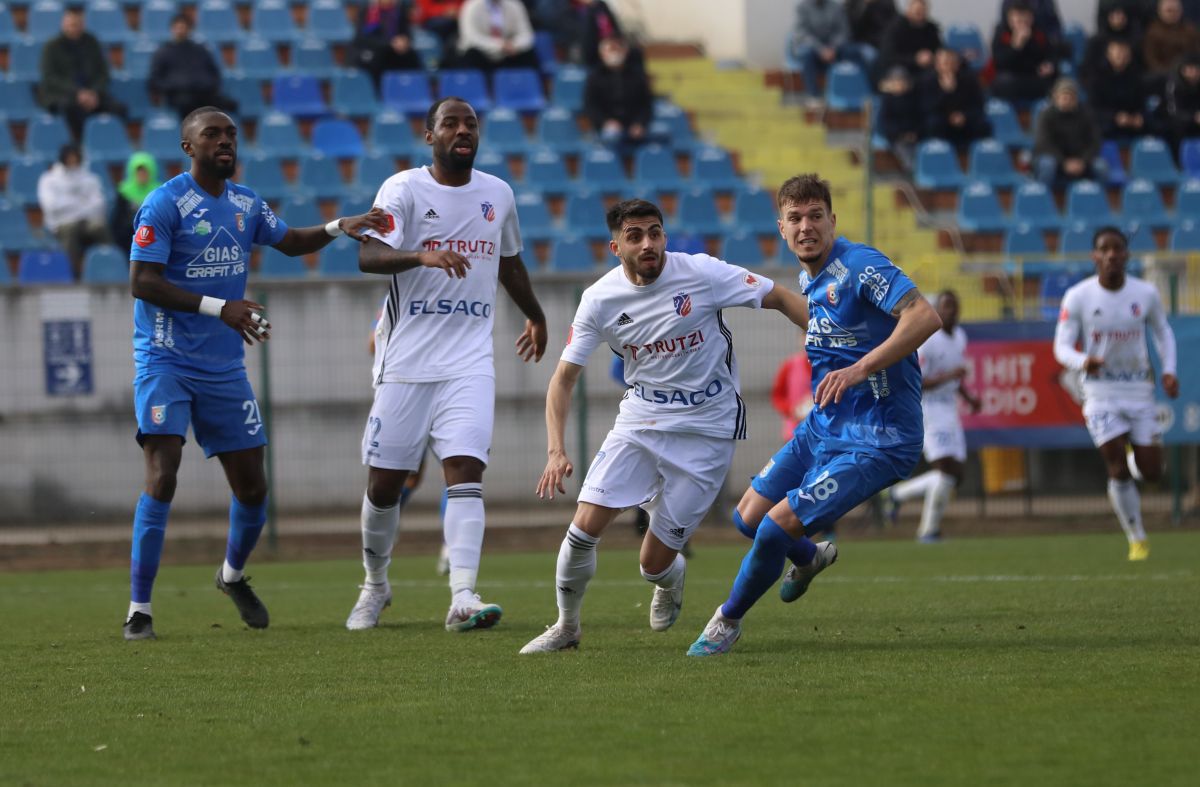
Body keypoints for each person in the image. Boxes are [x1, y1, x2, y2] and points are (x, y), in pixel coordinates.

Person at [122, 107, 389, 641]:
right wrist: (220, 307)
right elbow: (142, 281)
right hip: (166, 360)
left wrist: (339, 226)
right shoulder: (164, 203)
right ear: (187, 146)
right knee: (163, 473)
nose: (224, 142)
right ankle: (140, 610)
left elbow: (289, 240)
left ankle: (232, 574)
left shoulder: (245, 203)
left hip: (223, 367)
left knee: (252, 490)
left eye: (230, 136)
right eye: (211, 135)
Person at [518, 198, 809, 654]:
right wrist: (556, 450)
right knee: (583, 527)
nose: (648, 243)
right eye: (635, 236)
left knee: (652, 564)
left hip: (707, 427)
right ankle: (566, 627)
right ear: (616, 246)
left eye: (655, 232)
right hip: (641, 420)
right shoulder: (598, 300)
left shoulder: (701, 273)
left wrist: (834, 341)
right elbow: (562, 381)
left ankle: (668, 581)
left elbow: (779, 297)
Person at [686, 173, 942, 657]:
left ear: (832, 221)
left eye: (815, 216)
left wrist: (859, 368)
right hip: (825, 426)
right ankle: (807, 560)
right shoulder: (811, 279)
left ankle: (727, 620)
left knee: (773, 529)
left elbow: (924, 316)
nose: (807, 226)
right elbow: (826, 320)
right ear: (781, 228)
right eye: (795, 218)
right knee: (748, 517)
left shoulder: (861, 264)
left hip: (879, 438)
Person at [345, 96, 548, 633]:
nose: (463, 131)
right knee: (384, 487)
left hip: (469, 361)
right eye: (451, 123)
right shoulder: (403, 189)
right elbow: (367, 255)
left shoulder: (498, 193)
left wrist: (535, 314)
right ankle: (375, 583)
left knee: (465, 469)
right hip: (406, 363)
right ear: (428, 134)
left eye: (471, 124)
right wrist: (422, 254)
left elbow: (508, 261)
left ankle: (462, 595)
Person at [1053, 226, 1179, 561]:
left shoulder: (1146, 293)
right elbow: (1061, 347)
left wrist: (1169, 370)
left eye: (1117, 248)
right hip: (1100, 390)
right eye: (1104, 249)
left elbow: (1163, 333)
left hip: (1139, 388)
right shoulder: (1078, 297)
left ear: (1126, 255)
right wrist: (1083, 361)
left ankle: (1135, 456)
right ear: (1095, 256)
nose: (1111, 254)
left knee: (1152, 473)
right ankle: (1137, 538)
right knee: (1115, 464)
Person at [882, 290, 981, 542]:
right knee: (946, 470)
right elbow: (918, 382)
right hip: (929, 409)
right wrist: (950, 376)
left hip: (949, 409)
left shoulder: (960, 336)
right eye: (945, 307)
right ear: (937, 309)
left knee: (955, 476)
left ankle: (898, 494)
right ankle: (929, 530)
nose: (950, 311)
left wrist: (969, 398)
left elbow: (955, 376)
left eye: (954, 306)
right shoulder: (929, 340)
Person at [37, 7, 126, 141]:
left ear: (83, 24)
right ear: (63, 24)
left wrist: (94, 92)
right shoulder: (52, 47)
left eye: (77, 24)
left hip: (93, 94)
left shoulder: (92, 42)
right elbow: (50, 78)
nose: (74, 28)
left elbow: (103, 73)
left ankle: (111, 142)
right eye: (71, 25)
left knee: (119, 109)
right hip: (63, 95)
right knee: (72, 110)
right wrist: (78, 93)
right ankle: (80, 146)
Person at [37, 143, 112, 278]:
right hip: (61, 223)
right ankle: (72, 273)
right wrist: (81, 205)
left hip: (86, 221)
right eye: (69, 157)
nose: (72, 161)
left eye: (75, 157)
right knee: (69, 230)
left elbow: (99, 204)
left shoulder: (90, 179)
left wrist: (72, 207)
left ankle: (108, 267)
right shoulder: (49, 180)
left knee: (99, 227)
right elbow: (51, 206)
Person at [148, 14, 237, 119]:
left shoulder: (200, 50)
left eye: (183, 27)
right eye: (177, 27)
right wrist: (173, 86)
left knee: (228, 105)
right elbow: (155, 79)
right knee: (189, 105)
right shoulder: (163, 52)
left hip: (204, 93)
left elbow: (213, 72)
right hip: (179, 96)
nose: (180, 30)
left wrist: (209, 84)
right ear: (172, 29)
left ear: (189, 29)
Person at [583, 35, 653, 150]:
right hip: (607, 127)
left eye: (618, 49)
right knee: (610, 138)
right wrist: (605, 122)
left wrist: (639, 123)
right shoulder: (594, 78)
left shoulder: (637, 77)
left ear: (625, 52)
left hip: (632, 125)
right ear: (602, 54)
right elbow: (590, 106)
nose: (614, 53)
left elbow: (646, 105)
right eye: (611, 50)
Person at [1033, 78, 1104, 187]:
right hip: (1054, 158)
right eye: (1063, 96)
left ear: (1075, 99)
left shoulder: (1087, 114)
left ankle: (1098, 200)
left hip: (1081, 159)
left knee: (1101, 167)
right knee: (1047, 165)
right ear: (1055, 97)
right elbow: (1044, 144)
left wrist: (1083, 161)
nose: (1066, 100)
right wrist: (1064, 162)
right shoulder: (1045, 115)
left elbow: (1095, 141)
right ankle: (1042, 198)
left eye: (1070, 97)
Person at [989, 0, 1057, 105]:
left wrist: (1049, 64)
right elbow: (999, 63)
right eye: (1018, 20)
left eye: (1026, 20)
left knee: (1055, 82)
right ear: (1010, 19)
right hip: (1012, 76)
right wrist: (1016, 47)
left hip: (1034, 76)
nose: (1022, 24)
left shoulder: (1038, 32)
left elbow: (1050, 53)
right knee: (1003, 82)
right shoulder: (1002, 33)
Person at [920, 47, 991, 149]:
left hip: (964, 117)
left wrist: (964, 116)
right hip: (942, 119)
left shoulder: (969, 79)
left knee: (983, 125)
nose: (948, 66)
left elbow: (978, 105)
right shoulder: (927, 81)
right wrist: (945, 92)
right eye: (944, 63)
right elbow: (927, 108)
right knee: (933, 124)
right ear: (937, 65)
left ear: (957, 64)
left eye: (952, 62)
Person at [788, 0, 858, 101]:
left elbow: (843, 31)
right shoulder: (802, 7)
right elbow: (802, 33)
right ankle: (813, 96)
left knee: (852, 52)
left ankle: (845, 94)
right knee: (806, 54)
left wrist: (833, 48)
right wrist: (820, 49)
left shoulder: (836, 7)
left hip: (832, 48)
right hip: (812, 47)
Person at [350, 0, 425, 93]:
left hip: (394, 50)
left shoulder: (399, 11)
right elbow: (361, 38)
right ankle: (378, 93)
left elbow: (406, 33)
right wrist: (389, 43)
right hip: (373, 50)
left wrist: (404, 41)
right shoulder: (368, 11)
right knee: (377, 57)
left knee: (412, 56)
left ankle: (412, 91)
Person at [1087, 38, 1151, 141]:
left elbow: (1143, 103)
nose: (1121, 56)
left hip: (1132, 123)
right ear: (1108, 55)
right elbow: (1093, 109)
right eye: (1117, 53)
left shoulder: (1137, 77)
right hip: (1108, 124)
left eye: (1124, 53)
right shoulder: (1097, 78)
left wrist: (1140, 117)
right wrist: (1115, 117)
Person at [455, 0, 540, 76]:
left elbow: (526, 34)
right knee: (471, 54)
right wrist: (499, 45)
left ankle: (527, 86)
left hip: (508, 52)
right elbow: (470, 37)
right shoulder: (471, 6)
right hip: (481, 53)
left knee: (529, 53)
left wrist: (515, 45)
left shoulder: (515, 5)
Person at [876, 0, 941, 85]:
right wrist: (915, 59)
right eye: (917, 11)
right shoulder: (895, 29)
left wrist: (931, 56)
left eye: (922, 11)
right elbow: (889, 56)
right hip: (900, 66)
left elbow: (938, 48)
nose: (920, 14)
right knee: (899, 74)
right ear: (908, 10)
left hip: (926, 66)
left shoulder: (931, 28)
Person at [1143, 0, 1200, 93]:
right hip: (1162, 73)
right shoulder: (1152, 32)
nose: (1173, 14)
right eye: (1169, 11)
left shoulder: (1191, 30)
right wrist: (1169, 72)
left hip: (1189, 71)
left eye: (1176, 10)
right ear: (1160, 12)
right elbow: (1151, 59)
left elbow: (1196, 54)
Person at [111, 151, 162, 253]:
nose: (142, 175)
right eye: (139, 172)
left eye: (145, 172)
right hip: (128, 237)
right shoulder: (123, 191)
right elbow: (117, 220)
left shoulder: (160, 191)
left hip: (154, 235)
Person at [877, 65, 923, 169]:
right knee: (905, 151)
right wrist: (901, 134)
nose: (900, 84)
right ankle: (912, 171)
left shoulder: (914, 98)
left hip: (914, 135)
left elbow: (919, 118)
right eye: (896, 81)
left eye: (902, 81)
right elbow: (885, 123)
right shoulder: (887, 100)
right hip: (897, 136)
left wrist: (915, 132)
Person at [770, 335, 814, 441]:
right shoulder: (789, 366)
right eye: (805, 337)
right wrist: (792, 410)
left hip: (823, 436)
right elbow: (777, 396)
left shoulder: (830, 367)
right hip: (794, 434)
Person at [1165, 53, 1200, 152]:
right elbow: (1174, 111)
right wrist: (1194, 117)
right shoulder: (1174, 86)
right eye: (1189, 69)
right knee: (1176, 126)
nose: (1193, 72)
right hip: (1182, 122)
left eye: (1196, 69)